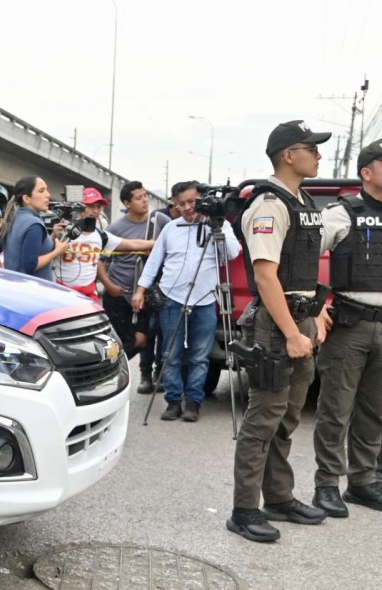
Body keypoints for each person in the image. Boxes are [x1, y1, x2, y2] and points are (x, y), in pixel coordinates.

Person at [226, 120, 332, 543]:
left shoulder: (302, 200)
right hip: (277, 324)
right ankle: (244, 509)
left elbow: (303, 269)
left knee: (287, 417)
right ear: (289, 155)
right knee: (263, 418)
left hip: (301, 317)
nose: (319, 155)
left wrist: (317, 314)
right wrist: (291, 332)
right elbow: (266, 277)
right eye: (312, 148)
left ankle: (280, 497)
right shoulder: (270, 204)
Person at [309, 138, 382, 516]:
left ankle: (363, 483)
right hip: (351, 324)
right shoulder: (342, 212)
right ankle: (326, 485)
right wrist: (317, 305)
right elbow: (303, 257)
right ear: (366, 172)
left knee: (375, 410)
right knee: (336, 408)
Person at [132, 181, 241, 422]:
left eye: (192, 202)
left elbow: (233, 253)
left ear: (201, 200)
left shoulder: (218, 224)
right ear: (175, 205)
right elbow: (153, 262)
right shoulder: (171, 229)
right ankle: (173, 401)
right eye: (181, 204)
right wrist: (140, 290)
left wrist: (218, 227)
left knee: (199, 355)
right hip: (172, 297)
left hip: (204, 299)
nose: (188, 208)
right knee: (170, 354)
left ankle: (193, 402)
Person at [103, 181, 171, 392]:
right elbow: (101, 260)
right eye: (139, 198)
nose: (145, 201)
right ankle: (118, 373)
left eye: (145, 196)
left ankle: (153, 372)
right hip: (119, 292)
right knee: (117, 338)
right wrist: (109, 285)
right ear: (127, 203)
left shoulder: (160, 221)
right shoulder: (116, 228)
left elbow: (174, 247)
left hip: (150, 292)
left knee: (148, 335)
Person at [53, 209, 154, 302]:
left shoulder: (101, 236)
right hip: (62, 294)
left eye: (98, 206)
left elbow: (132, 244)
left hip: (88, 296)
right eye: (91, 206)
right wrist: (53, 235)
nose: (95, 210)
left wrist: (157, 243)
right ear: (80, 209)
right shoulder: (62, 232)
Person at [0, 176, 69, 279]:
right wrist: (56, 252)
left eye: (47, 190)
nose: (48, 195)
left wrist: (5, 278)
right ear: (27, 198)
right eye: (41, 191)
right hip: (35, 290)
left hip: (13, 289)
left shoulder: (13, 219)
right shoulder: (34, 224)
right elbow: (30, 265)